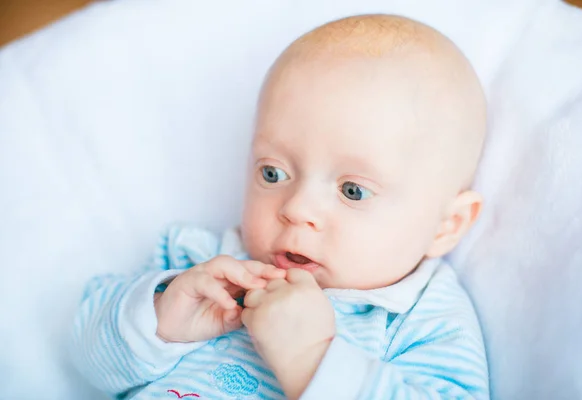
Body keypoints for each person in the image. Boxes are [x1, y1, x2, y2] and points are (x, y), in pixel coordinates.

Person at [71, 14, 489, 399]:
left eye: (353, 191)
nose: (296, 207)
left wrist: (312, 360)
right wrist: (161, 319)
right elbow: (85, 357)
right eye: (273, 174)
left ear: (445, 226)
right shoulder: (197, 260)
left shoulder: (423, 323)